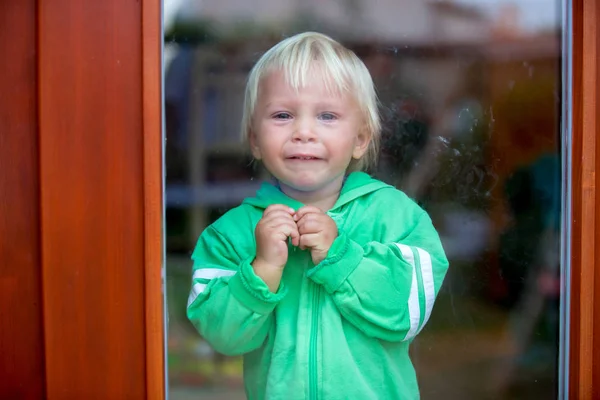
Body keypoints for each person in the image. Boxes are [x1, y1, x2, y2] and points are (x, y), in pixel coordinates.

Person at [187, 32, 449, 400]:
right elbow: (223, 337)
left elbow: (408, 313)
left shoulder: (396, 217)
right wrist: (261, 270)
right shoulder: (231, 235)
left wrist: (342, 257)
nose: (303, 132)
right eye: (282, 115)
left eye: (327, 115)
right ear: (255, 139)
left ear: (360, 139)